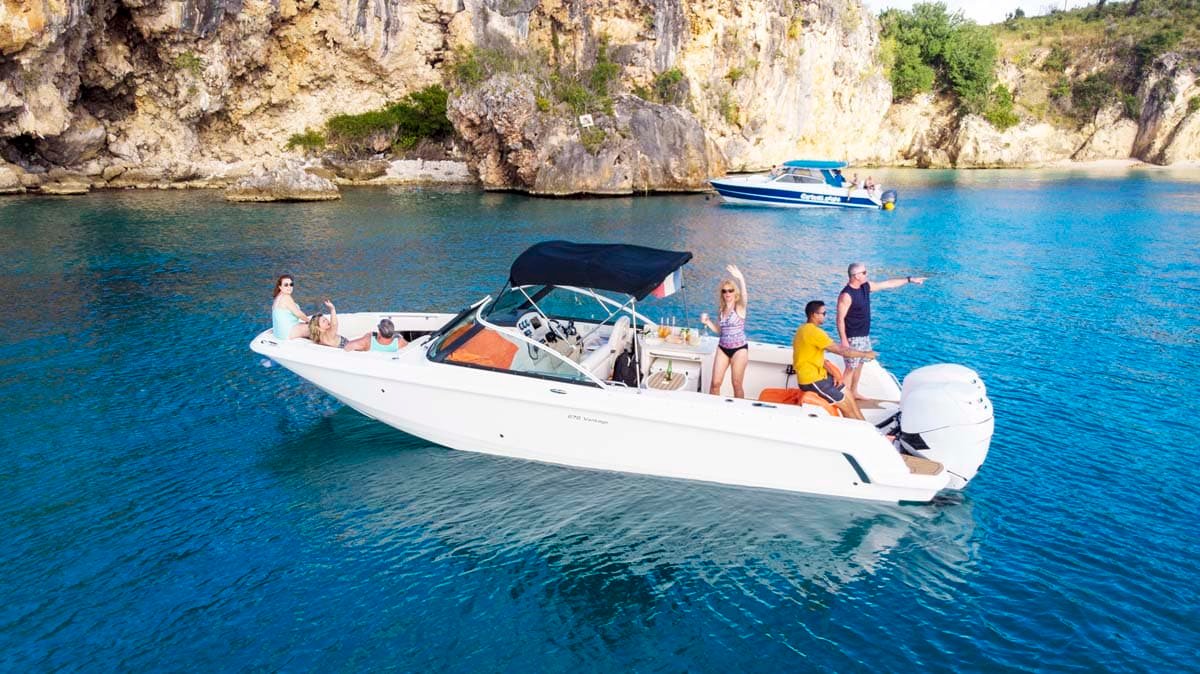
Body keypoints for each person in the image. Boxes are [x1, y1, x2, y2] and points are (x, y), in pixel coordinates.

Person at [836, 262, 927, 401]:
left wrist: (909, 280)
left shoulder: (866, 287)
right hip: (852, 337)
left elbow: (888, 284)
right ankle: (842, 398)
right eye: (864, 272)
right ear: (856, 276)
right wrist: (844, 340)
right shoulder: (846, 295)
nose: (867, 274)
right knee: (850, 368)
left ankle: (853, 392)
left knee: (860, 364)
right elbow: (839, 319)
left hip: (864, 335)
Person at [792, 300, 877, 420]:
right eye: (824, 313)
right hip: (812, 381)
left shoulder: (803, 329)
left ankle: (866, 425)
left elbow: (813, 357)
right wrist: (865, 354)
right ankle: (859, 432)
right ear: (814, 314)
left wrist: (832, 372)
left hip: (820, 376)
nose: (825, 316)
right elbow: (842, 351)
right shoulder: (814, 333)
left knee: (849, 396)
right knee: (847, 407)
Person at [700, 264, 749, 398]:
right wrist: (708, 322)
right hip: (723, 348)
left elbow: (745, 297)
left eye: (730, 290)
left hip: (739, 349)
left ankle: (739, 414)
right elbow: (721, 331)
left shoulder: (739, 307)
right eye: (724, 291)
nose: (727, 293)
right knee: (715, 383)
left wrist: (741, 279)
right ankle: (713, 411)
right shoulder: (721, 310)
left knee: (736, 383)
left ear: (735, 292)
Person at [271, 274, 309, 339]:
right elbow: (299, 314)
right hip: (287, 332)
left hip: (278, 333)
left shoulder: (277, 297)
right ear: (280, 287)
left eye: (291, 284)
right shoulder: (286, 297)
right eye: (286, 285)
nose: (289, 287)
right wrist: (310, 321)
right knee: (316, 328)